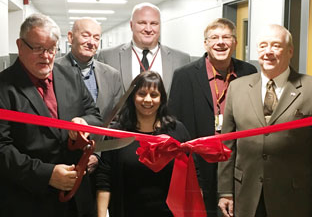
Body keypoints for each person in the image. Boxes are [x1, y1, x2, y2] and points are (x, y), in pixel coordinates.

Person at [0, 14, 102, 217]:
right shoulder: (4, 86)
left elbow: (94, 115)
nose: (46, 56)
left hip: (77, 199)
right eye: (38, 48)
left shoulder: (70, 76)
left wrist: (84, 123)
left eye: (51, 48)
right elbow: (2, 147)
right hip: (27, 200)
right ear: (20, 46)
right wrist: (46, 175)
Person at [218, 24, 312, 217]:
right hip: (246, 192)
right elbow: (227, 144)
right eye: (262, 46)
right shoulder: (237, 88)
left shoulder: (309, 88)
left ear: (290, 51)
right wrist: (226, 191)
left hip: (294, 194)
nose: (268, 52)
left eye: (276, 45)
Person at [168, 18, 257, 216]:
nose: (221, 42)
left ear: (234, 42)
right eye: (214, 37)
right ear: (205, 43)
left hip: (237, 159)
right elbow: (174, 123)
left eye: (226, 37)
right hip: (199, 162)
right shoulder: (185, 75)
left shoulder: (249, 73)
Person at [95, 71, 190, 217]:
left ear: (162, 99)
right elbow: (104, 178)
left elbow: (192, 175)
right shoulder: (117, 132)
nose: (147, 100)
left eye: (154, 95)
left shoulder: (177, 131)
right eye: (142, 93)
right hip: (127, 211)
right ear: (132, 96)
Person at [55, 18, 124, 174]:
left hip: (101, 163)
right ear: (71, 37)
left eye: (96, 37)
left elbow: (116, 121)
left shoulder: (112, 76)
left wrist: (97, 154)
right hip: (61, 164)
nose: (91, 42)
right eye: (86, 35)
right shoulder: (52, 71)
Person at [97, 2, 191, 93]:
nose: (148, 29)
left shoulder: (181, 59)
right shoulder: (108, 57)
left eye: (154, 23)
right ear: (131, 25)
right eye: (142, 23)